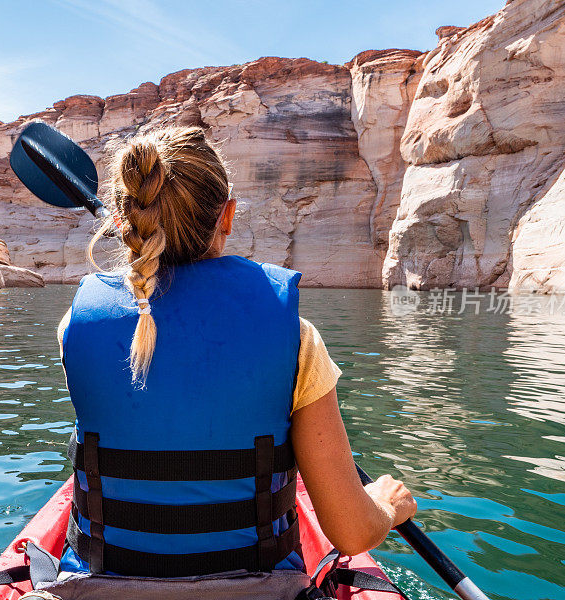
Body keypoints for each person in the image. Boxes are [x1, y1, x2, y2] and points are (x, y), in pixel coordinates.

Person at [55, 126, 416, 581]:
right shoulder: (298, 338)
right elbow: (350, 533)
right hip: (259, 587)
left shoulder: (75, 327)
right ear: (226, 216)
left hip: (102, 583)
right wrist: (386, 506)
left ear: (126, 219)